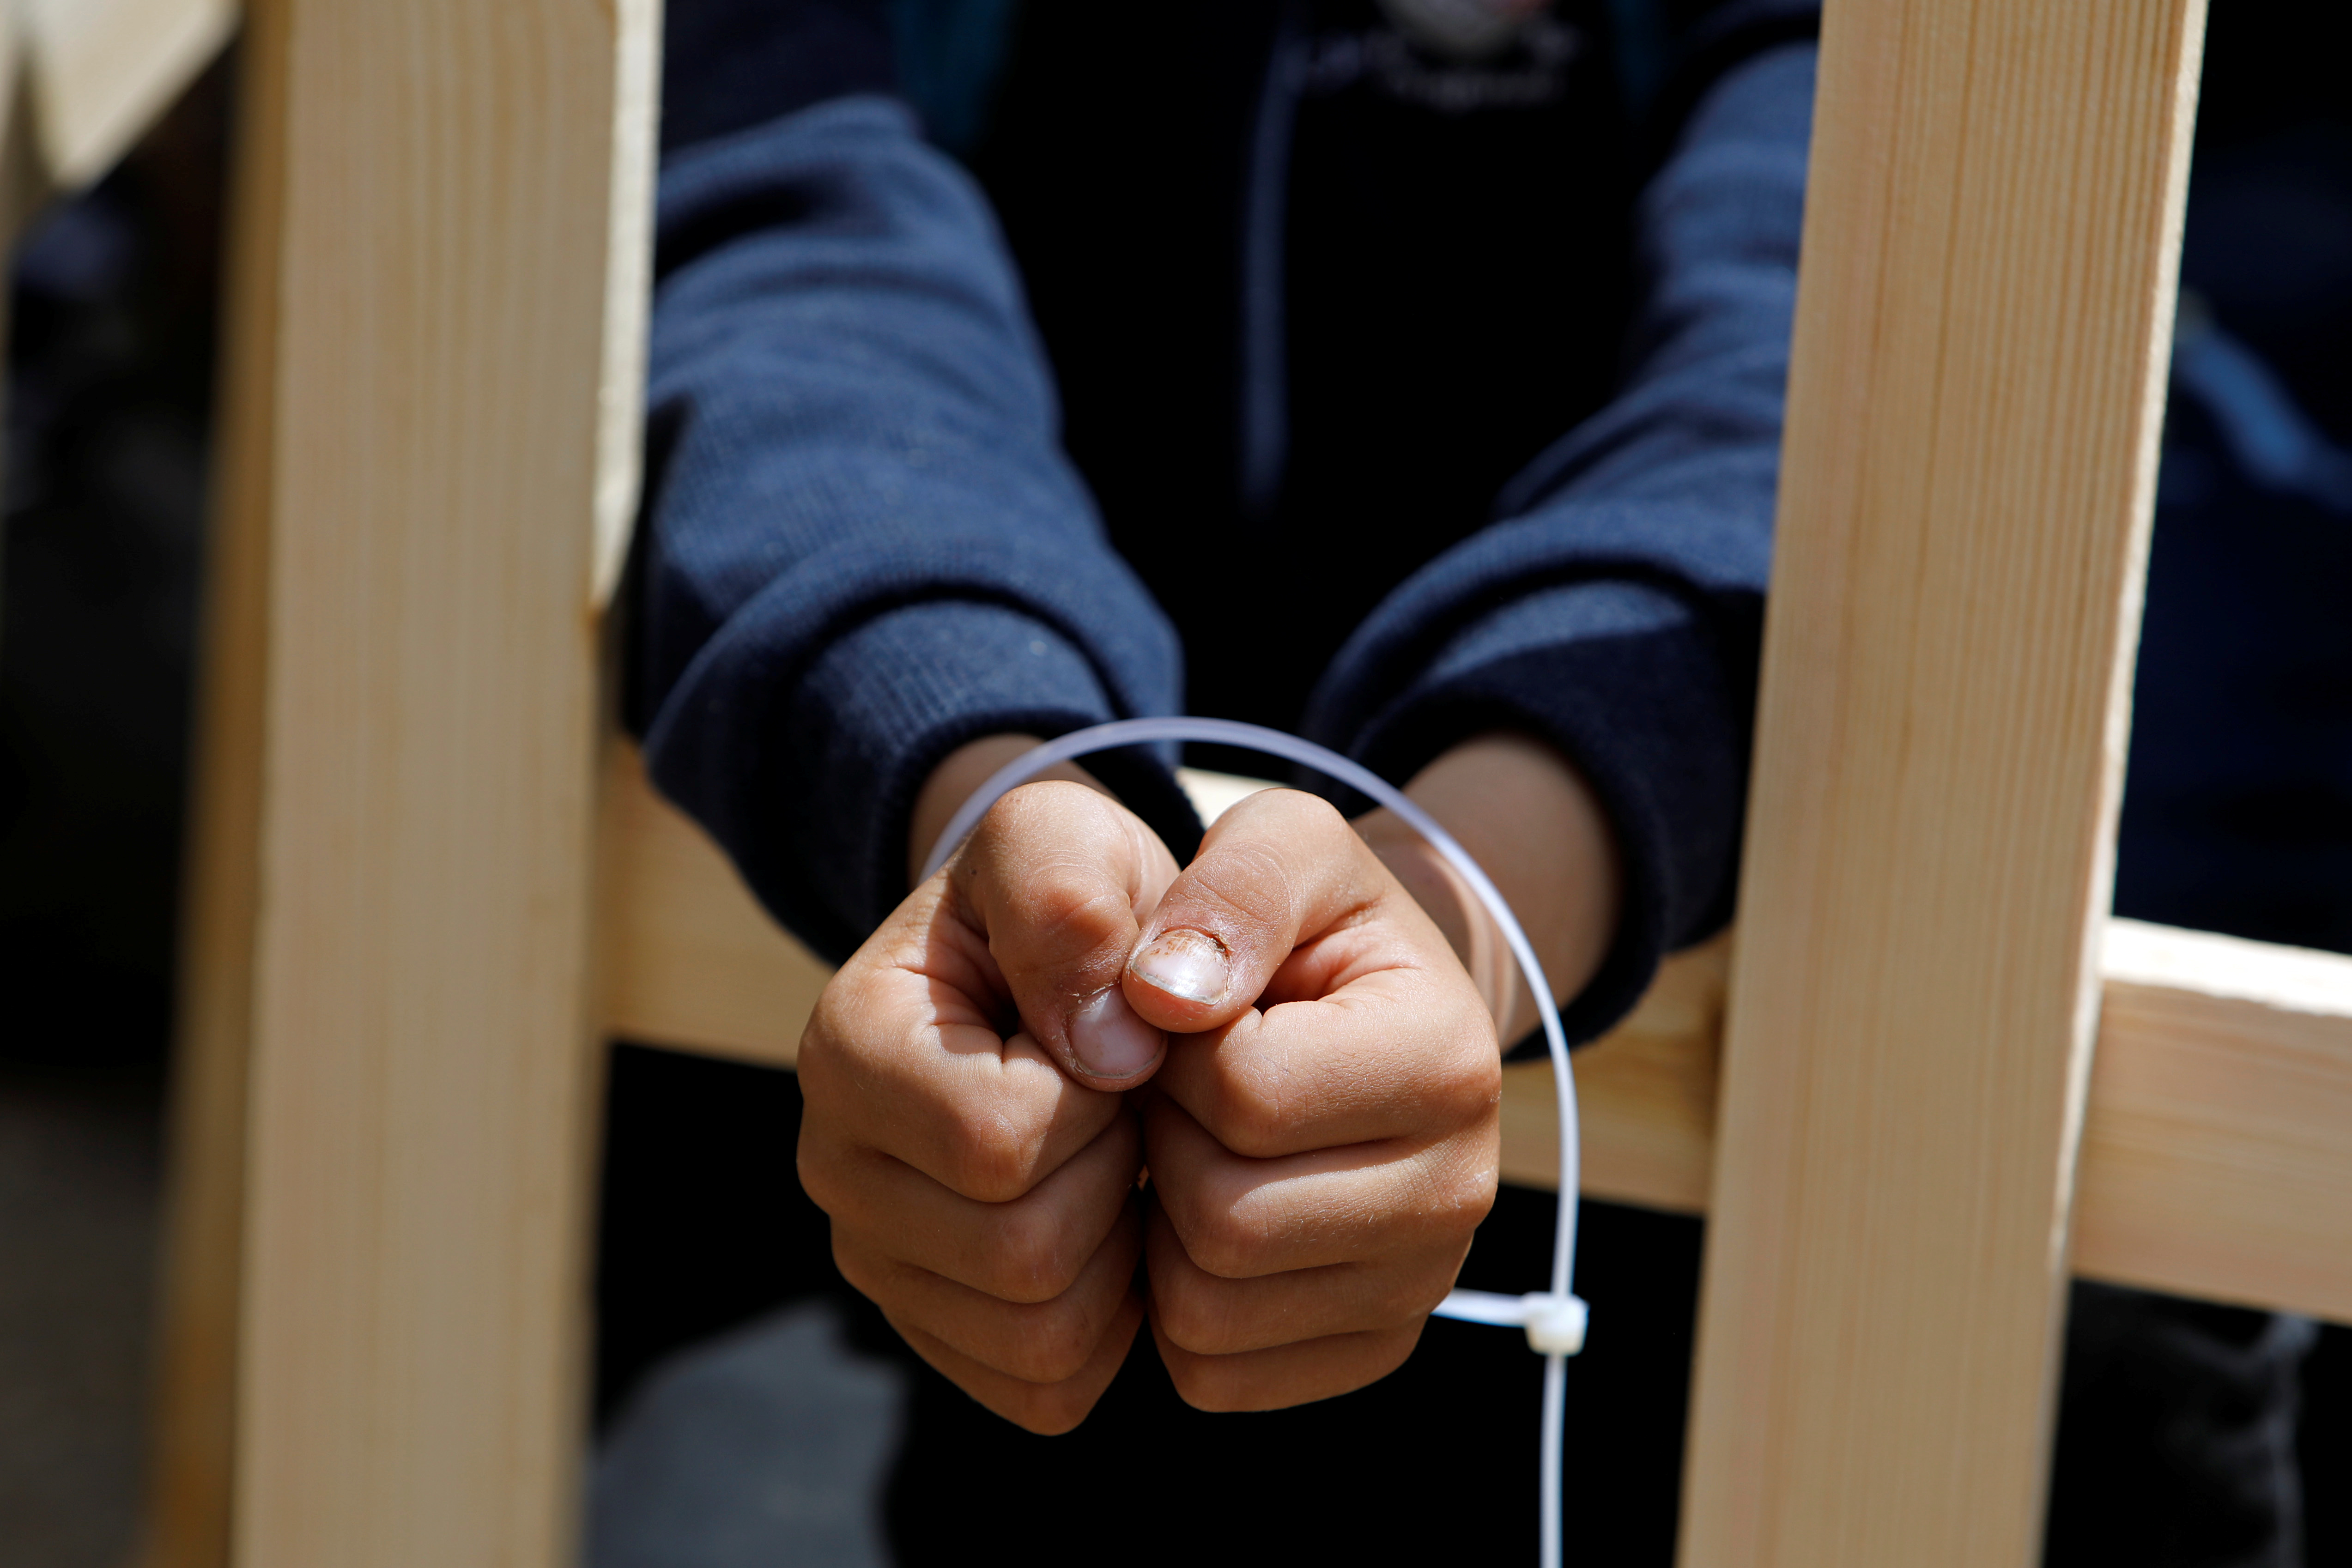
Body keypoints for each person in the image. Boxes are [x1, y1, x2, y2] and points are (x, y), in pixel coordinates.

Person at [617, 1, 2316, 1561]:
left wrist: (1468, 894)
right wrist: (975, 777)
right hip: (1000, 1074)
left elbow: (1880, 319)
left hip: (1839, 1064)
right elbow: (775, 227)